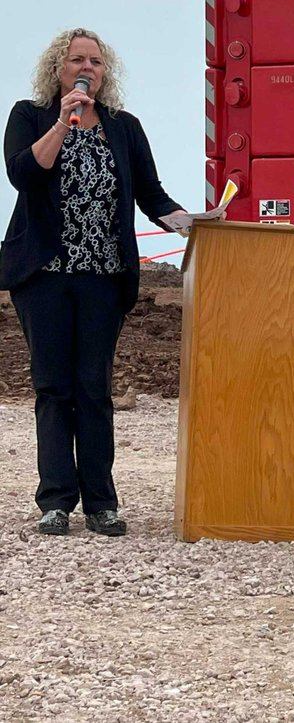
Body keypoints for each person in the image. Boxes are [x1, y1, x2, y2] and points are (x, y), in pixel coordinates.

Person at [1, 28, 196, 537]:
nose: (87, 67)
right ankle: (56, 501)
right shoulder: (31, 116)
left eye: (96, 62)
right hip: (44, 277)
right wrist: (66, 121)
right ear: (58, 69)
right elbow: (24, 173)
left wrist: (192, 221)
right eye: (76, 60)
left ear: (105, 73)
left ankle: (101, 504)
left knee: (93, 387)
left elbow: (151, 194)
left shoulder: (124, 128)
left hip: (102, 278)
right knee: (52, 386)